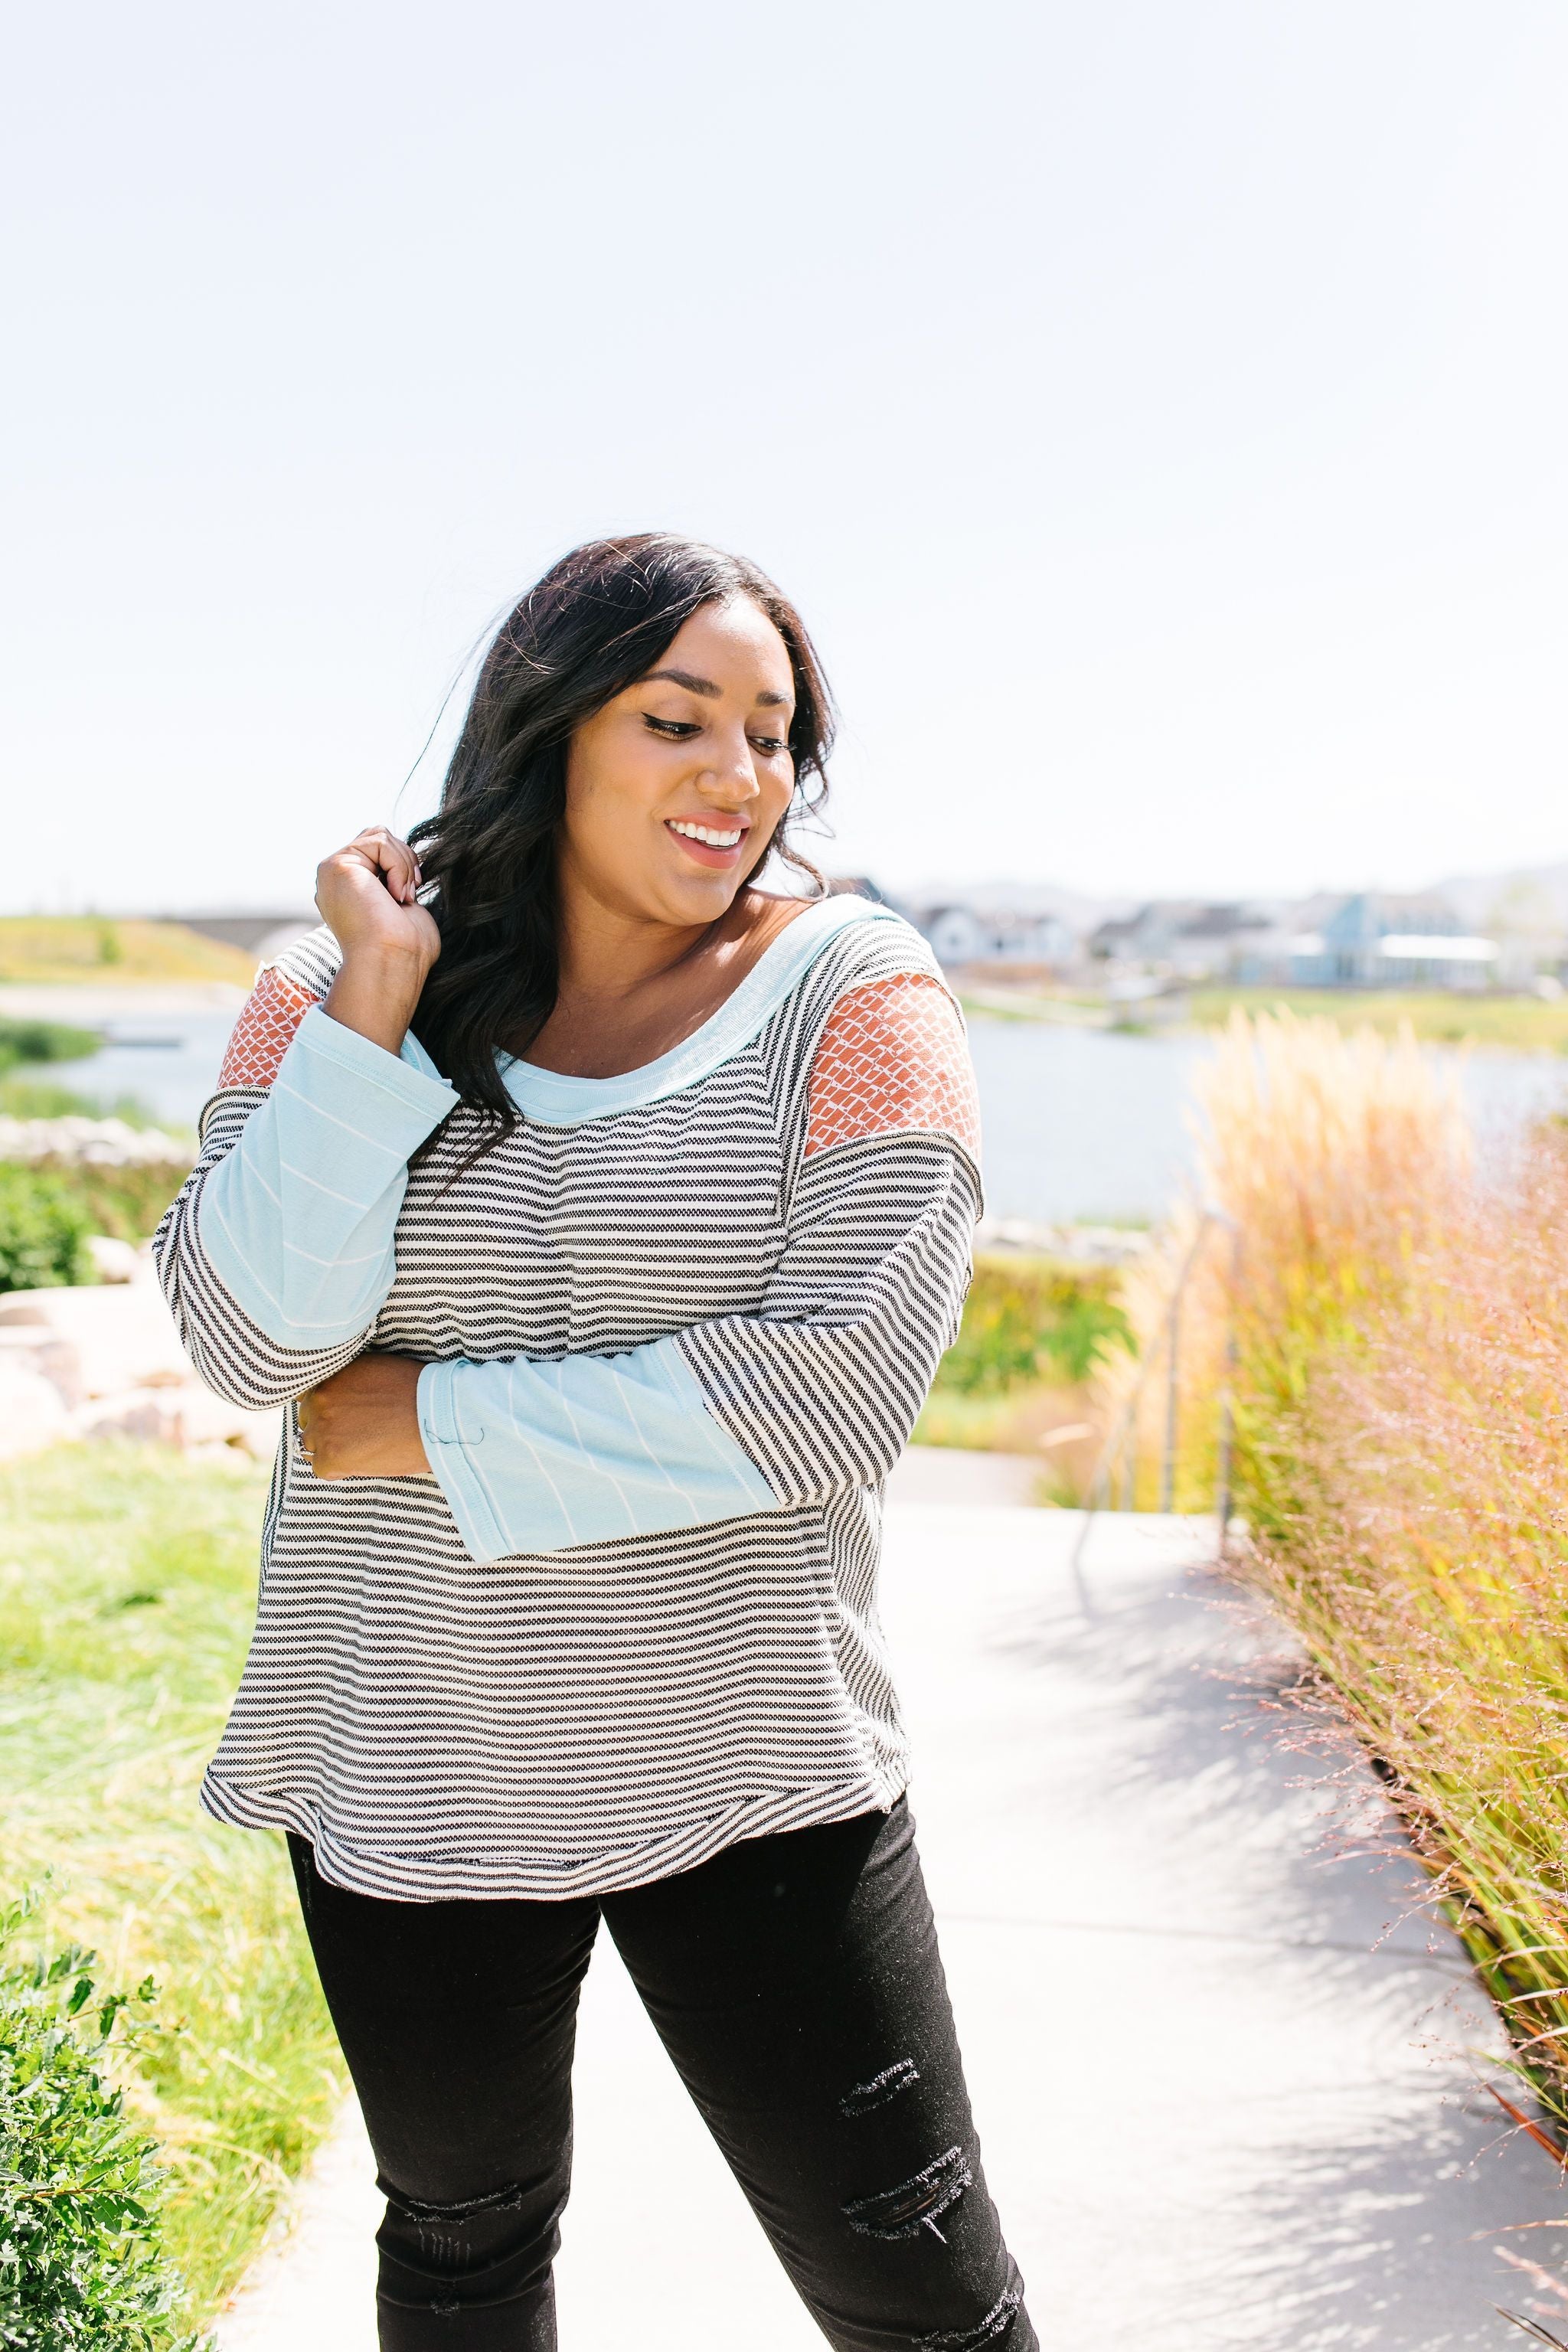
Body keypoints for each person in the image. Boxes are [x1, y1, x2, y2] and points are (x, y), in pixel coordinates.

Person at [154, 533, 1034, 2351]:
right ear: (550, 729)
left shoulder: (857, 995)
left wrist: (428, 1419)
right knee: (461, 2251)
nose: (739, 777)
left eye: (773, 734)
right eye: (677, 719)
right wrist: (375, 1007)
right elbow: (248, 1338)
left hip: (750, 1760)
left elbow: (839, 1394)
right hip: (413, 1762)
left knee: (918, 2300)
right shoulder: (328, 981)